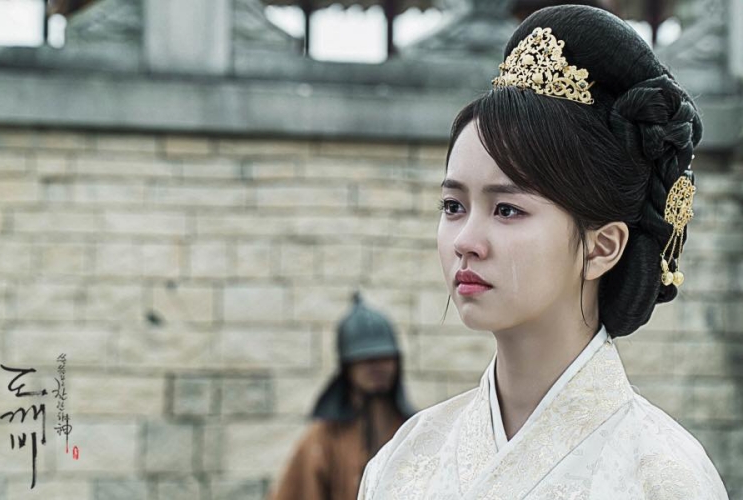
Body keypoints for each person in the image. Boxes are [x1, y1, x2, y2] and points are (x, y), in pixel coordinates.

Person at [358, 5, 730, 500]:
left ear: (601, 247)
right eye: (453, 206)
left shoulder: (662, 478)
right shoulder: (403, 462)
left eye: (507, 210)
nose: (465, 240)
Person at [269, 291, 414, 500]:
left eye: (385, 357)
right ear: (347, 366)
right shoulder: (322, 439)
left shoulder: (412, 431)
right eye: (365, 358)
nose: (377, 366)